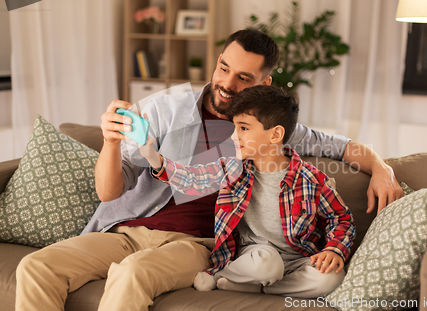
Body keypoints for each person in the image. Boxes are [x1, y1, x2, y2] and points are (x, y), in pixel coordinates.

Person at [15, 29, 402, 311]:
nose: (227, 84)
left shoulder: (267, 132)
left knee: (133, 274)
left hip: (195, 246)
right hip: (125, 230)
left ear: (264, 84)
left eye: (244, 78)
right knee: (36, 266)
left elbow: (343, 147)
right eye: (223, 68)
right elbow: (109, 192)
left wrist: (381, 167)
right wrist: (113, 143)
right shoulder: (164, 110)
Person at [139, 85, 356, 298]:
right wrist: (153, 158)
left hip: (298, 257)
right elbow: (193, 179)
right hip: (256, 256)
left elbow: (340, 218)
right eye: (234, 128)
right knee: (267, 264)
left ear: (275, 135)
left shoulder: (312, 179)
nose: (234, 136)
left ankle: (258, 288)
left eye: (243, 128)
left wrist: (334, 249)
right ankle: (220, 276)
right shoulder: (233, 168)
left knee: (331, 279)